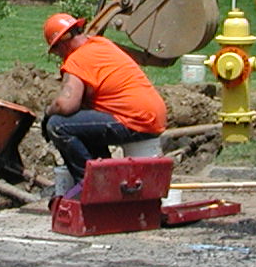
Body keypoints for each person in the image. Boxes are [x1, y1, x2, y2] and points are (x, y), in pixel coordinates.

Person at [40, 12, 167, 198]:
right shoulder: (101, 45)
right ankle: (106, 176)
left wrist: (47, 113)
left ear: (63, 42)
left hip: (135, 119)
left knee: (58, 125)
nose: (58, 55)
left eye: (56, 50)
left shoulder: (77, 59)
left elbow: (66, 104)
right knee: (81, 124)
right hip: (151, 115)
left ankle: (89, 182)